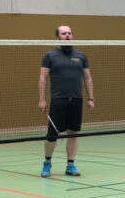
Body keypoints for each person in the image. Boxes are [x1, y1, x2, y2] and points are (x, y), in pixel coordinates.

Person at [39, 25, 94, 177]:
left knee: (73, 133)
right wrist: (42, 100)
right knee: (52, 134)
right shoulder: (50, 56)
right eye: (64, 33)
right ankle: (47, 162)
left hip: (76, 100)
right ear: (58, 37)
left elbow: (87, 77)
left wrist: (91, 98)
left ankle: (71, 164)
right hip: (58, 100)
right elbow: (43, 78)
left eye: (70, 33)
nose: (67, 35)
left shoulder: (81, 56)